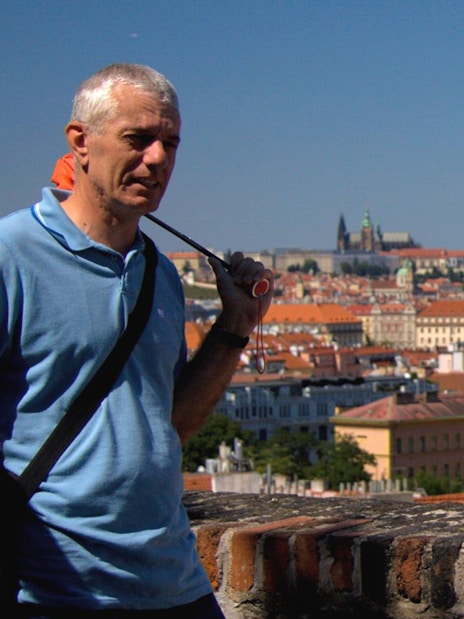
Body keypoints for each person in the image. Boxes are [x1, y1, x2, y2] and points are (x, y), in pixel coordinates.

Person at [0, 63, 274, 618]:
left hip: (174, 581)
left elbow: (168, 422)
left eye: (170, 143)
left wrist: (234, 328)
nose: (158, 159)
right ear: (80, 141)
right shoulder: (11, 256)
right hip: (54, 591)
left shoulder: (162, 275)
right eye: (138, 138)